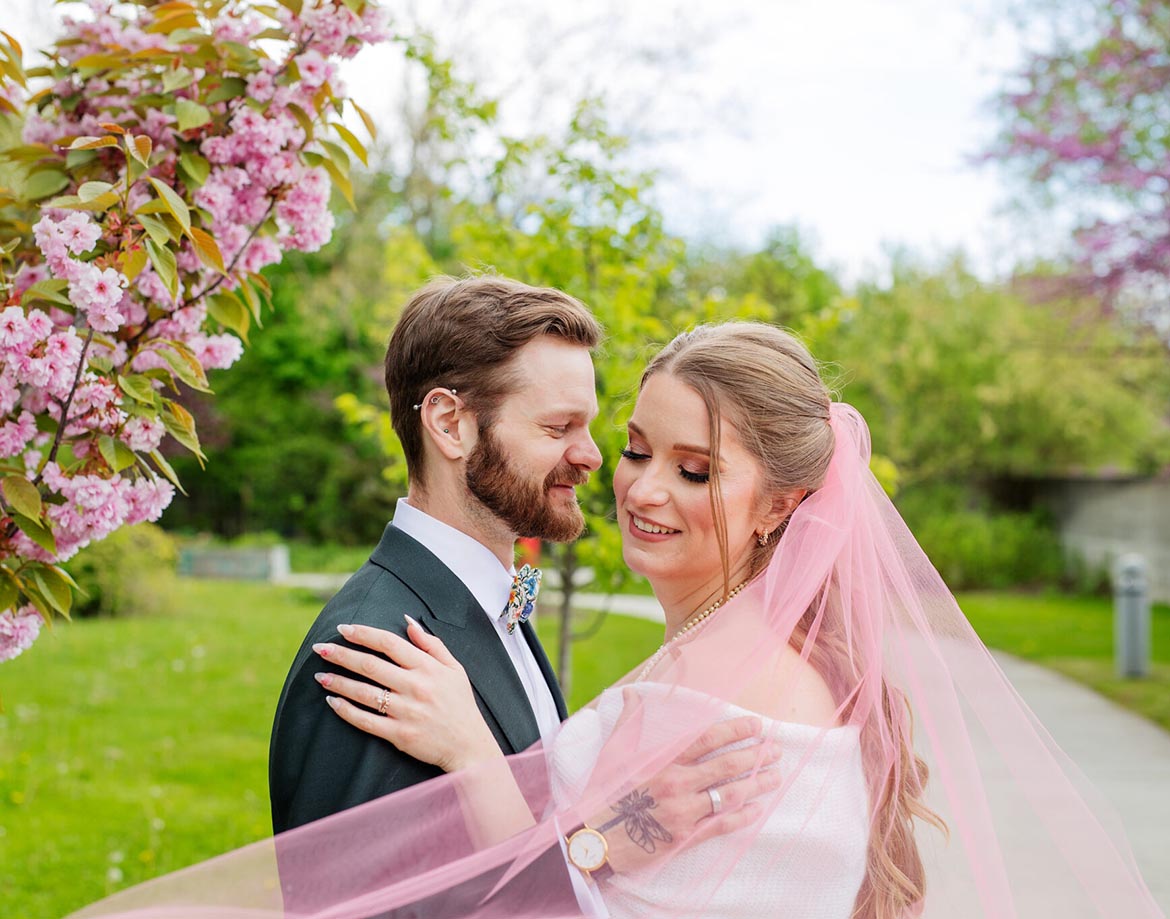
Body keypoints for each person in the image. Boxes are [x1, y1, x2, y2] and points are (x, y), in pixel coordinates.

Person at [71, 321, 1163, 919]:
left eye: (695, 469)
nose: (634, 485)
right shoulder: (750, 648)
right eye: (636, 448)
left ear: (787, 501)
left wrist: (475, 755)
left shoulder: (726, 682)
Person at [267, 278, 779, 917]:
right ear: (451, 424)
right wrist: (603, 845)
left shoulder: (494, 609)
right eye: (559, 426)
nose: (592, 456)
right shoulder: (379, 653)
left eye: (590, 428)